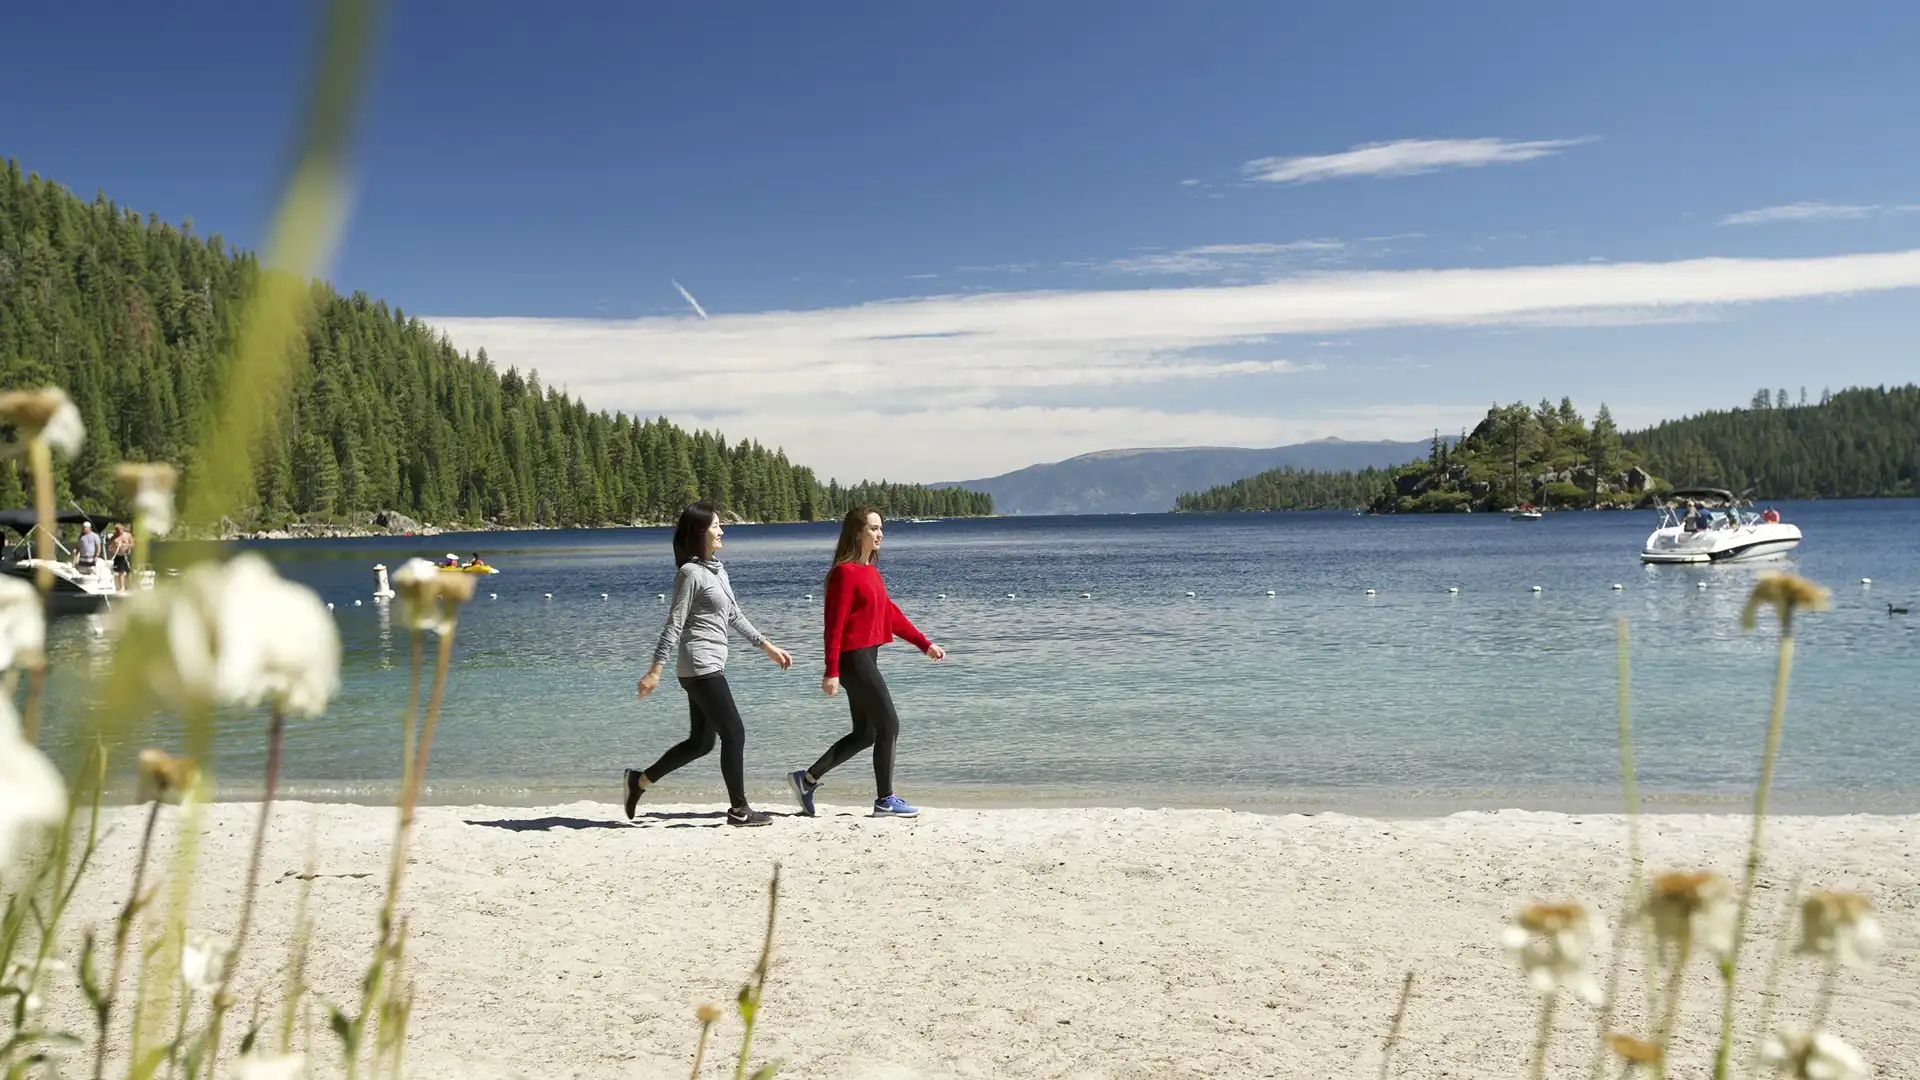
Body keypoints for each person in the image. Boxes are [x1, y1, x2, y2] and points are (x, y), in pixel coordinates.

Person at [627, 502, 792, 827]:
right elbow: (674, 623)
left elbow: (733, 616)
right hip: (699, 665)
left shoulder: (716, 570)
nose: (722, 531)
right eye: (716, 525)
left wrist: (767, 647)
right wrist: (655, 669)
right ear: (700, 531)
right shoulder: (689, 573)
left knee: (701, 743)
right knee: (735, 734)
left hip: (707, 665)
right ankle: (739, 810)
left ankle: (639, 782)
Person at [788, 506, 945, 819]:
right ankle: (885, 799)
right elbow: (833, 626)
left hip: (866, 656)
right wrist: (831, 670)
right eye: (873, 528)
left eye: (881, 528)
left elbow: (891, 614)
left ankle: (806, 780)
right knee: (889, 725)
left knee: (866, 733)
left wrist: (923, 644)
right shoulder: (844, 574)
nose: (879, 534)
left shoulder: (870, 572)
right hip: (852, 660)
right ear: (857, 533)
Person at [106, 523, 133, 591]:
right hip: (119, 555)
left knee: (129, 571)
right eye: (117, 530)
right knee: (120, 571)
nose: (118, 531)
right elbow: (109, 547)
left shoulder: (128, 535)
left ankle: (131, 586)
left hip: (126, 555)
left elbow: (132, 544)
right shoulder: (114, 537)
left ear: (122, 529)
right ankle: (121, 587)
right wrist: (114, 547)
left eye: (119, 530)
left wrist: (126, 545)